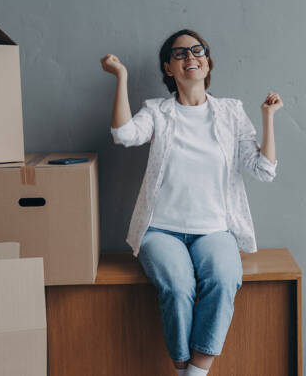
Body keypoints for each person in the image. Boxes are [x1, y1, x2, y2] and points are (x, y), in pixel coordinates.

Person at [101, 29, 282, 376]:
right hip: (160, 230)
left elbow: (264, 170)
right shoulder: (157, 111)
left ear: (208, 62)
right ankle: (184, 368)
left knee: (225, 279)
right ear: (168, 68)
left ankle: (195, 372)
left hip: (214, 230)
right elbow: (124, 135)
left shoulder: (231, 112)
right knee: (178, 286)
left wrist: (268, 119)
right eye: (180, 53)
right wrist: (121, 77)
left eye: (197, 51)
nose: (190, 57)